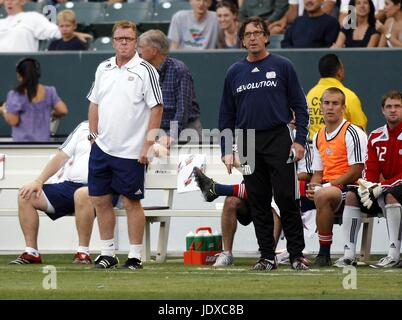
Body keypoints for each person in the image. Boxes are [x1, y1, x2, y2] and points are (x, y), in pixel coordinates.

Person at [219, 16, 310, 271]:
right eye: (247, 34)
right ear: (242, 40)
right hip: (247, 140)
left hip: (278, 137)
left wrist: (300, 141)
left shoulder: (283, 66)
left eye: (257, 33)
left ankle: (296, 254)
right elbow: (226, 115)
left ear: (267, 37)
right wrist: (227, 150)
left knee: (286, 198)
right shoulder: (234, 72)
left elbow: (301, 107)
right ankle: (267, 256)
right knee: (258, 200)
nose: (253, 38)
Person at [87, 21, 163, 270]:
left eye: (128, 39)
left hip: (131, 151)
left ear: (136, 42)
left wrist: (147, 145)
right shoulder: (103, 68)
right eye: (119, 38)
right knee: (100, 200)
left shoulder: (145, 70)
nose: (124, 43)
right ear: (113, 41)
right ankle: (107, 253)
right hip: (102, 149)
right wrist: (93, 136)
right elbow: (94, 102)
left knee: (132, 202)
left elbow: (157, 108)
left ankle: (135, 255)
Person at [193, 142, 313, 267]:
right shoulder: (254, 134)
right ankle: (227, 254)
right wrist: (233, 158)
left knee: (274, 205)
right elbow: (247, 169)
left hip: (285, 191)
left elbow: (308, 174)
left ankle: (268, 256)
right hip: (256, 187)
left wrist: (279, 176)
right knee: (231, 201)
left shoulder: (298, 140)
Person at [9, 121, 98, 265]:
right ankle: (32, 252)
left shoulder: (118, 126)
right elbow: (61, 156)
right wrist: (38, 181)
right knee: (26, 195)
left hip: (103, 188)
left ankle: (83, 253)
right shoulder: (83, 127)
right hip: (71, 185)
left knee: (82, 194)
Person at [335, 90, 402, 268]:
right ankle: (349, 254)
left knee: (390, 195)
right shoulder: (375, 136)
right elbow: (370, 169)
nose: (393, 110)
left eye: (397, 106)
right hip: (384, 189)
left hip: (394, 191)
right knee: (352, 195)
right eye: (389, 106)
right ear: (382, 110)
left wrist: (383, 187)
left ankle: (394, 254)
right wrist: (369, 187)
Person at [306, 87, 367, 266]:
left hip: (351, 188)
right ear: (321, 108)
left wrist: (323, 187)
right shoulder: (318, 135)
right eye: (327, 103)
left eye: (335, 103)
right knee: (288, 193)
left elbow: (356, 170)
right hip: (328, 186)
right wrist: (313, 186)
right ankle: (289, 251)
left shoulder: (352, 132)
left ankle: (323, 253)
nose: (330, 107)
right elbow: (317, 173)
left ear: (343, 108)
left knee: (323, 195)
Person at [138, 29, 202, 148]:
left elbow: (183, 109)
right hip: (157, 131)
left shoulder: (179, 70)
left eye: (141, 47)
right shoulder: (142, 71)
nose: (139, 52)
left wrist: (171, 135)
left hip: (186, 131)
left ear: (153, 51)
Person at [0, 58, 68, 142]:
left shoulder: (14, 94)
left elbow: (14, 121)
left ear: (19, 75)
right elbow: (63, 110)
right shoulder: (49, 91)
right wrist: (53, 115)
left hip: (21, 147)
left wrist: (4, 111)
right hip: (43, 146)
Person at [306, 53, 367, 141]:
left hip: (312, 148)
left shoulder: (310, 94)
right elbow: (360, 129)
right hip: (339, 149)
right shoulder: (348, 96)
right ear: (339, 71)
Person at [0, 0, 91, 52]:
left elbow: (55, 31)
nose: (9, 2)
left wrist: (75, 33)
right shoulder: (2, 22)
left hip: (23, 65)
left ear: (22, 1)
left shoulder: (32, 17)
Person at [269, 0, 338, 35]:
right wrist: (283, 21)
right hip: (301, 24)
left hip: (321, 25)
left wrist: (306, 27)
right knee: (275, 30)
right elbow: (293, 11)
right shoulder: (298, 21)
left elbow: (328, 7)